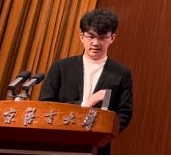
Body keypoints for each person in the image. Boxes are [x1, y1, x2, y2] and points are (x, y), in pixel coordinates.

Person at [39, 8, 134, 150]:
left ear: (112, 38)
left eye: (102, 37)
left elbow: (124, 113)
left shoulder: (121, 73)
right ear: (81, 36)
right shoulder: (61, 67)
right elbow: (46, 104)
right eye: (91, 36)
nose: (95, 43)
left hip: (97, 146)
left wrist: (103, 133)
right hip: (59, 142)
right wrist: (85, 104)